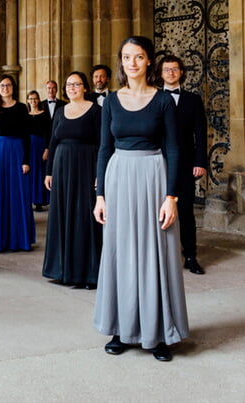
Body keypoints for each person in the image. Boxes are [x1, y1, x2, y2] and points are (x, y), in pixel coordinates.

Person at [93, 36, 188, 362]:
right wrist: (100, 195)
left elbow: (174, 148)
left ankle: (159, 333)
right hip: (119, 177)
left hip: (153, 176)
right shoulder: (112, 102)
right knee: (121, 252)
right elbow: (104, 149)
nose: (132, 62)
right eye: (127, 57)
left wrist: (171, 196)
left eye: (139, 57)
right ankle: (121, 329)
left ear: (150, 62)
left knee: (156, 252)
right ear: (122, 62)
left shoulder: (163, 101)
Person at [42, 72, 102, 288]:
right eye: (68, 84)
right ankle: (62, 269)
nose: (72, 88)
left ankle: (88, 274)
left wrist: (100, 174)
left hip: (87, 166)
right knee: (62, 215)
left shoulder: (96, 111)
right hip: (62, 167)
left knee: (84, 216)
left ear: (85, 87)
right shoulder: (60, 111)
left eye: (76, 84)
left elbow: (104, 144)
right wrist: (49, 172)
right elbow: (53, 142)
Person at [158, 55, 207, 275]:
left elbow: (201, 133)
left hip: (187, 163)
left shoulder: (193, 100)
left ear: (181, 73)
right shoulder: (155, 99)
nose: (171, 73)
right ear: (160, 74)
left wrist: (200, 161)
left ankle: (190, 255)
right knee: (159, 209)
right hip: (159, 162)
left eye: (175, 69)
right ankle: (161, 256)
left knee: (186, 210)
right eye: (166, 70)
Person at [0, 75, 34, 252]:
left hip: (17, 151)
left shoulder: (21, 108)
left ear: (13, 87)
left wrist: (26, 160)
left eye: (8, 85)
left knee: (17, 194)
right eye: (2, 85)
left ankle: (19, 239)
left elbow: (27, 135)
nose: (5, 88)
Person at [26, 90, 51, 211]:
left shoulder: (44, 114)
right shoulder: (24, 115)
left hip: (40, 145)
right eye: (30, 99)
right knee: (29, 173)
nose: (33, 101)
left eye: (35, 98)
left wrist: (47, 149)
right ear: (27, 100)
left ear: (38, 100)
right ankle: (29, 199)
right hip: (28, 146)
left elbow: (49, 133)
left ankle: (39, 201)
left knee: (40, 172)